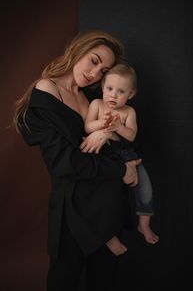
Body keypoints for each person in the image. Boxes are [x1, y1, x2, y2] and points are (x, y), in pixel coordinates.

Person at [12, 30, 141, 291]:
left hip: (106, 208)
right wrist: (120, 169)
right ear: (77, 50)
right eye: (94, 61)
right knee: (64, 281)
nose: (95, 74)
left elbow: (113, 141)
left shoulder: (92, 100)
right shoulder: (47, 90)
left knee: (104, 282)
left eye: (103, 70)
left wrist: (106, 132)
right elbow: (65, 162)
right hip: (73, 212)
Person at [84, 63, 159, 244]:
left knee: (145, 187)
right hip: (103, 155)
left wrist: (119, 127)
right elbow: (87, 126)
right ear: (103, 87)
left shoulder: (128, 112)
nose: (113, 95)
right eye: (109, 88)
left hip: (125, 153)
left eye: (121, 91)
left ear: (130, 95)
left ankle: (144, 224)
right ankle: (107, 235)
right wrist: (101, 123)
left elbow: (132, 135)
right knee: (106, 196)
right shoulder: (96, 104)